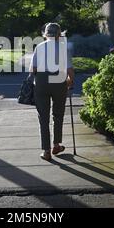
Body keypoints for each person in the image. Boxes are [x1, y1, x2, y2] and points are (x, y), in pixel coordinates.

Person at [29, 23, 75, 161]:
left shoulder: (39, 47)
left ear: (45, 34)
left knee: (43, 118)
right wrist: (70, 82)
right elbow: (70, 71)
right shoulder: (62, 49)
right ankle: (56, 144)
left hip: (42, 82)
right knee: (58, 115)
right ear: (59, 34)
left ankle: (46, 151)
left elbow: (33, 69)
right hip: (59, 81)